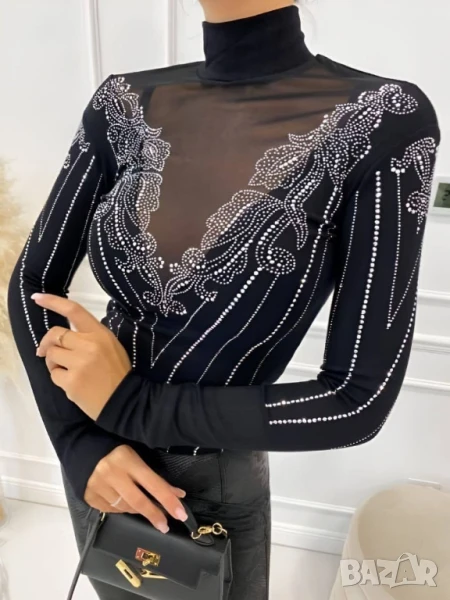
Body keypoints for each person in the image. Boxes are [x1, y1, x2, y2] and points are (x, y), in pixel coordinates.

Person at [7, 0, 440, 598]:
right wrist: (79, 444)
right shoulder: (123, 102)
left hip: (204, 488)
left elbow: (356, 402)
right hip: (98, 461)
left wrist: (130, 405)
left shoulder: (383, 117)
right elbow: (32, 284)